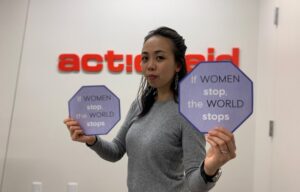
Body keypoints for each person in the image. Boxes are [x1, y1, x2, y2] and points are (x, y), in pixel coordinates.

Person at [64, 26, 236, 192]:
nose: (150, 65)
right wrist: (92, 139)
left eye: (159, 58)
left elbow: (194, 185)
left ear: (178, 65)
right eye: (145, 58)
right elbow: (116, 151)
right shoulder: (139, 105)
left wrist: (210, 167)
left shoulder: (188, 113)